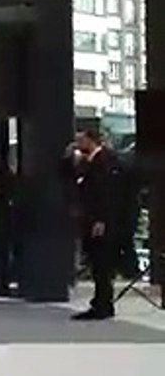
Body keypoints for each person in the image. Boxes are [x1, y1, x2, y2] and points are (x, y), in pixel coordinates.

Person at [69, 129, 122, 320]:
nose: (77, 144)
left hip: (100, 220)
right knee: (96, 264)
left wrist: (101, 219)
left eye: (80, 140)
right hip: (90, 219)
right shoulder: (88, 161)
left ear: (91, 140)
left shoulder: (104, 161)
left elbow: (105, 193)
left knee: (102, 265)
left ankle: (103, 304)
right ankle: (100, 302)